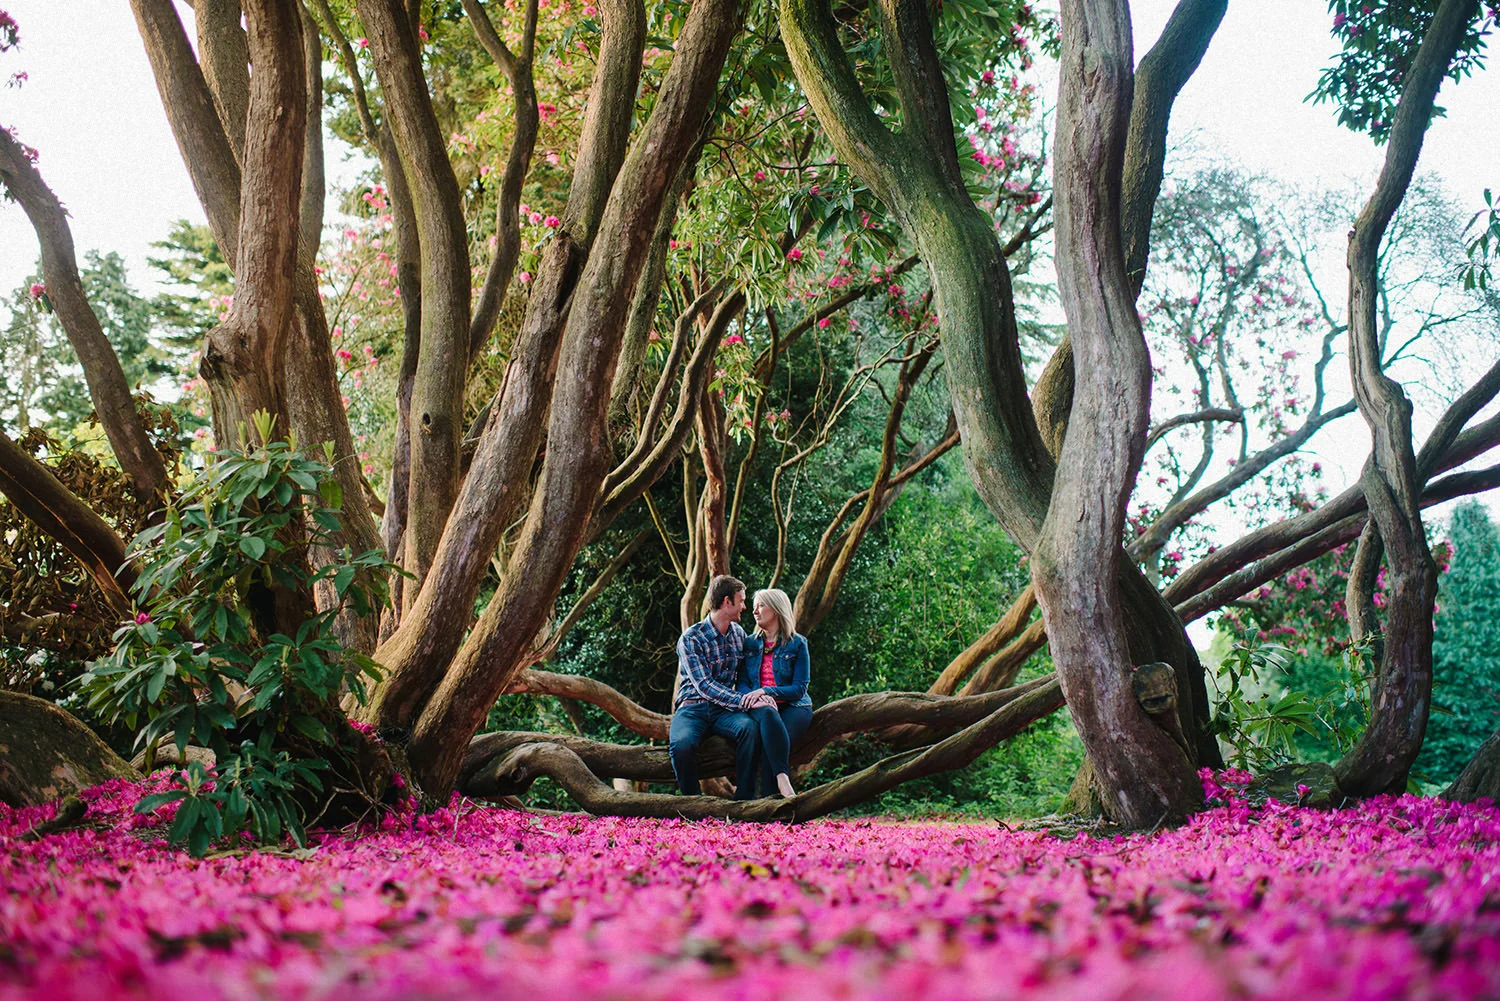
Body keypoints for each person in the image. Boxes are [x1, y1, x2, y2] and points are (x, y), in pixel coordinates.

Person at [668, 574, 761, 800]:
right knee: (681, 746)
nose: (745, 606)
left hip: (723, 712)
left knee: (750, 729)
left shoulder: (739, 634)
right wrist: (741, 701)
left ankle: (745, 801)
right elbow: (704, 685)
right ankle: (693, 804)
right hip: (693, 708)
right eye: (741, 600)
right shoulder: (691, 638)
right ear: (726, 602)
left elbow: (749, 671)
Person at [738, 588, 813, 798]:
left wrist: (766, 690)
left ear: (777, 609)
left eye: (760, 605)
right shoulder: (749, 644)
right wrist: (755, 698)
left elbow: (799, 688)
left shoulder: (798, 643)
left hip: (795, 706)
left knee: (773, 743)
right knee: (768, 721)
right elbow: (742, 682)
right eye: (754, 607)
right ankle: (782, 784)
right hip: (761, 706)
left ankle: (772, 803)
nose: (755, 611)